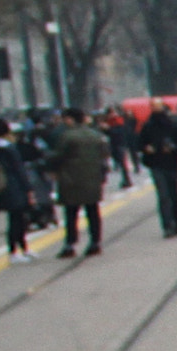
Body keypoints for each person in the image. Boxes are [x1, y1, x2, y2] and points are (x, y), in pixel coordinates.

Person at [48, 107, 107, 257]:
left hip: (71, 180)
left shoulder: (67, 136)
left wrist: (51, 167)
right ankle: (95, 242)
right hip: (92, 179)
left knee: (71, 213)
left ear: (69, 119)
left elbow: (57, 157)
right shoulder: (95, 135)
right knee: (93, 211)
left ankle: (70, 244)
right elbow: (104, 155)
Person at [136, 101, 177, 237]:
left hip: (171, 162)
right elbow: (140, 142)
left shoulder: (173, 124)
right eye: (152, 106)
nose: (154, 108)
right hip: (156, 163)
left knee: (174, 194)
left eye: (157, 106)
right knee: (163, 195)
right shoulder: (148, 125)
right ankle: (167, 225)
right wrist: (146, 148)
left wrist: (173, 148)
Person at [0, 117, 30, 261]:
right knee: (18, 219)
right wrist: (28, 188)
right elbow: (19, 169)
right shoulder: (9, 148)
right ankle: (17, 250)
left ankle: (19, 250)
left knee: (14, 219)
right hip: (15, 185)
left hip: (1, 185)